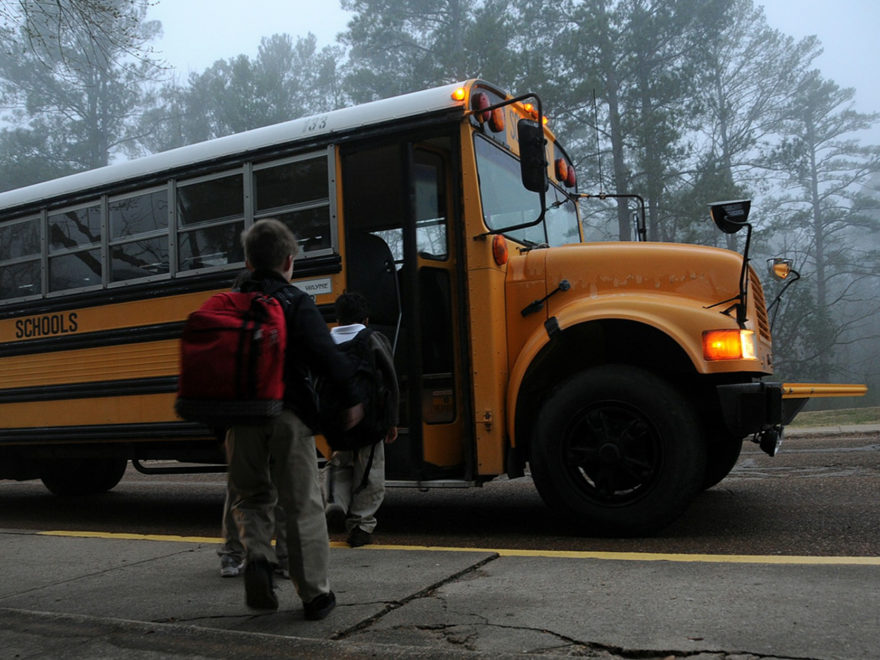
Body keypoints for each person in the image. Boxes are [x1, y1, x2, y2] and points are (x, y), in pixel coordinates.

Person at [226, 218, 362, 619]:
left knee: (251, 498)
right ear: (289, 260)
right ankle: (315, 595)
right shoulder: (294, 301)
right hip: (287, 414)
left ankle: (256, 557)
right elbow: (327, 356)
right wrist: (351, 399)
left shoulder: (229, 304)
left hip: (239, 419)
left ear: (249, 261)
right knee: (302, 504)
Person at [217, 270, 287, 579]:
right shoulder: (278, 312)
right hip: (276, 412)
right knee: (284, 490)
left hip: (238, 419)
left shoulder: (221, 322)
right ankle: (284, 557)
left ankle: (233, 555)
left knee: (240, 493)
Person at [324, 291, 399, 548]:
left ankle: (335, 502)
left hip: (337, 421)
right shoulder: (374, 339)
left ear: (338, 317)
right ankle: (361, 526)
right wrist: (391, 420)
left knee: (340, 463)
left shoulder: (326, 341)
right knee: (369, 471)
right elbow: (389, 380)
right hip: (370, 420)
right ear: (365, 319)